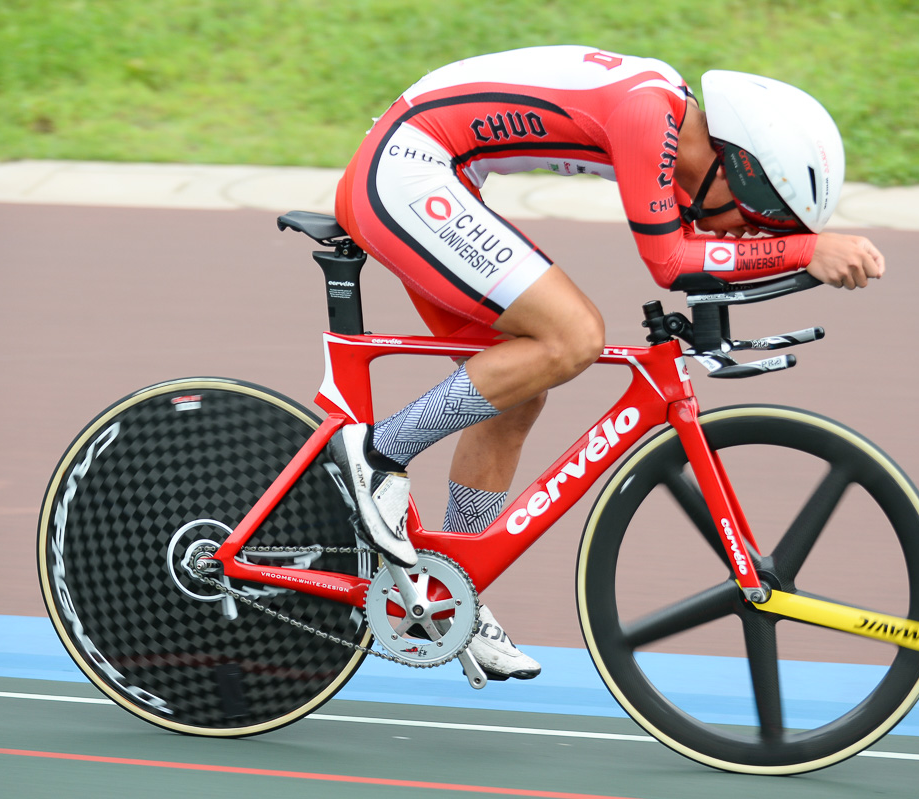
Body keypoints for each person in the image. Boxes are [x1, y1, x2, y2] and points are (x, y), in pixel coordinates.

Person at [328, 45, 885, 681]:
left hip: (431, 170)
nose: (741, 240)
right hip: (404, 170)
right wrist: (805, 248)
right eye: (754, 224)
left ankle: (449, 586)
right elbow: (674, 262)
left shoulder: (672, 121)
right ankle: (373, 456)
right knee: (573, 335)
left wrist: (791, 252)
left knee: (518, 389)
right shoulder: (650, 115)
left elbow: (695, 253)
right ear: (737, 173)